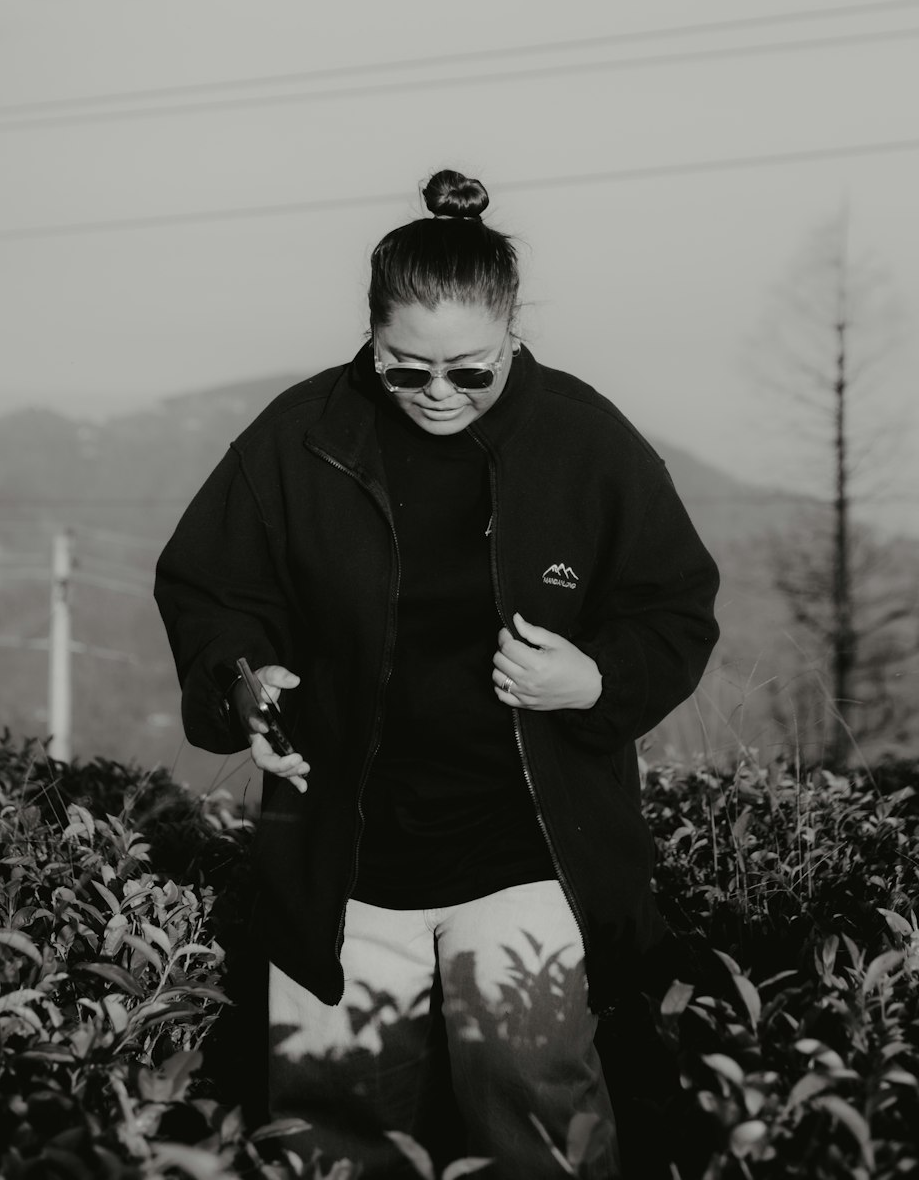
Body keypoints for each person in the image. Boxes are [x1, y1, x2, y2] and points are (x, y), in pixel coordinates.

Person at [154, 170, 720, 1179]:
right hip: (341, 853)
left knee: (540, 1118)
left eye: (470, 370)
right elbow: (210, 588)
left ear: (512, 336)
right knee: (330, 1135)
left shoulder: (585, 440)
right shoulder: (301, 434)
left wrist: (593, 681)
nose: (438, 395)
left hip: (528, 848)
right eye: (404, 369)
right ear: (370, 336)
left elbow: (673, 606)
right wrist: (241, 681)